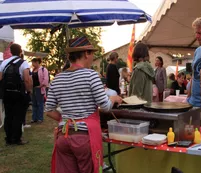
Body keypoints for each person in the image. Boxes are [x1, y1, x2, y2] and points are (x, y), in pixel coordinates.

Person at [45, 36, 122, 173]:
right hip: (84, 138)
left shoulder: (57, 79)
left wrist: (66, 120)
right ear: (86, 53)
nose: (93, 57)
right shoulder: (91, 75)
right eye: (92, 53)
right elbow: (105, 106)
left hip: (63, 136)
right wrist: (114, 98)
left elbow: (49, 110)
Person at [0, 43, 32, 145]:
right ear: (20, 51)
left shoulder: (4, 62)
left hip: (6, 93)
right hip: (19, 93)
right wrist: (28, 91)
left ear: (11, 51)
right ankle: (17, 138)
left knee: (8, 115)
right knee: (18, 115)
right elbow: (26, 79)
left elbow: (0, 78)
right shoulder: (23, 63)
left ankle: (9, 138)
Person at [31, 58, 49, 123]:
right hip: (33, 88)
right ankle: (34, 118)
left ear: (37, 62)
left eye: (33, 62)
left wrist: (41, 86)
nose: (32, 64)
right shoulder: (33, 70)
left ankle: (40, 118)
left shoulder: (43, 69)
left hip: (40, 89)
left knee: (40, 104)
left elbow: (46, 79)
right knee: (34, 104)